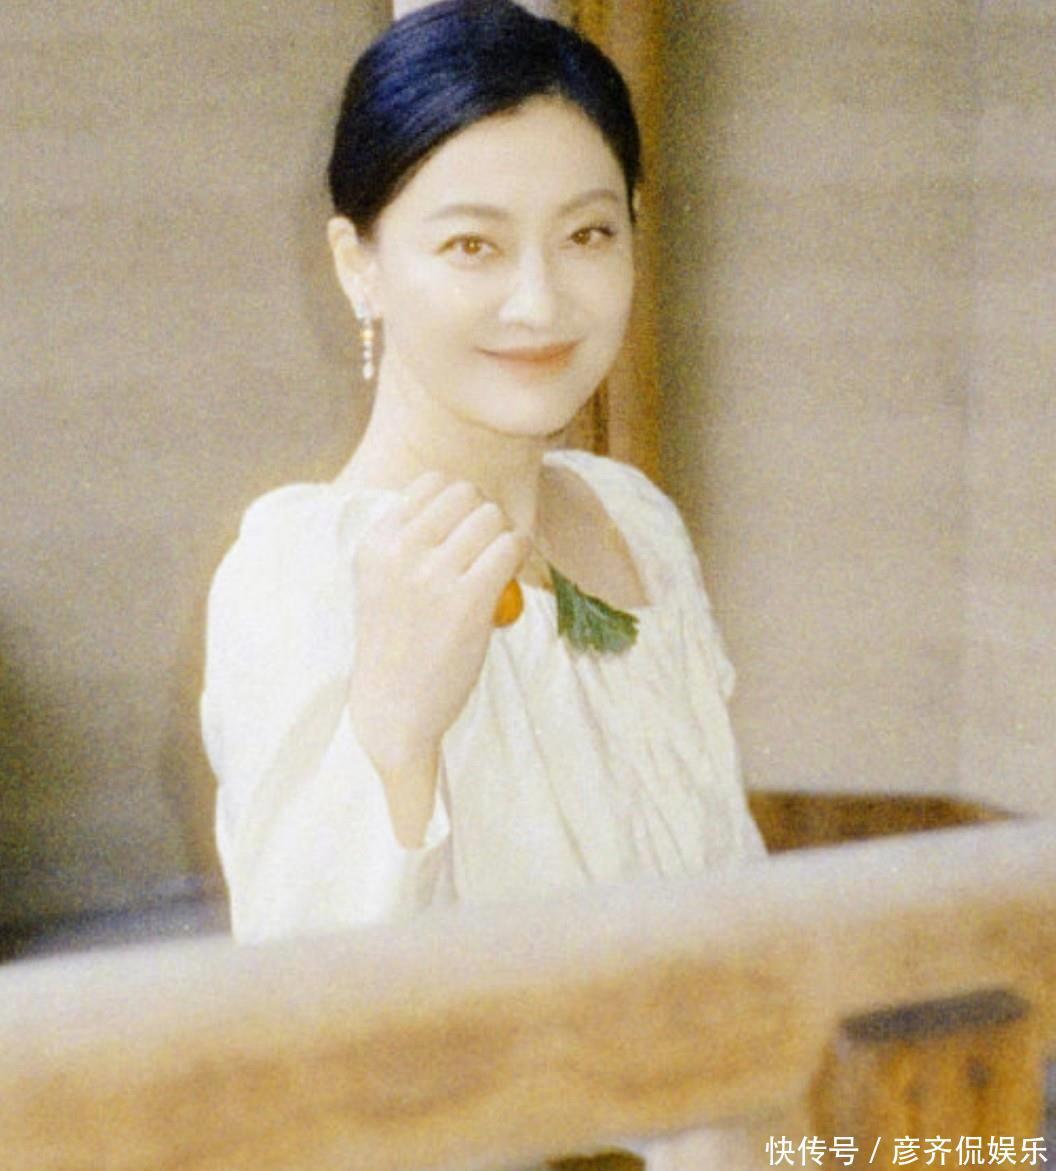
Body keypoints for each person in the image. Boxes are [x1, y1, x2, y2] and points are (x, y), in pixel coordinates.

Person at [201, 1, 766, 1165]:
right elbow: (312, 1029)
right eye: (472, 245)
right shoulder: (304, 569)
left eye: (588, 233)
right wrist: (397, 734)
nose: (540, 301)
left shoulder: (636, 519)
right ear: (358, 265)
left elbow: (732, 892)